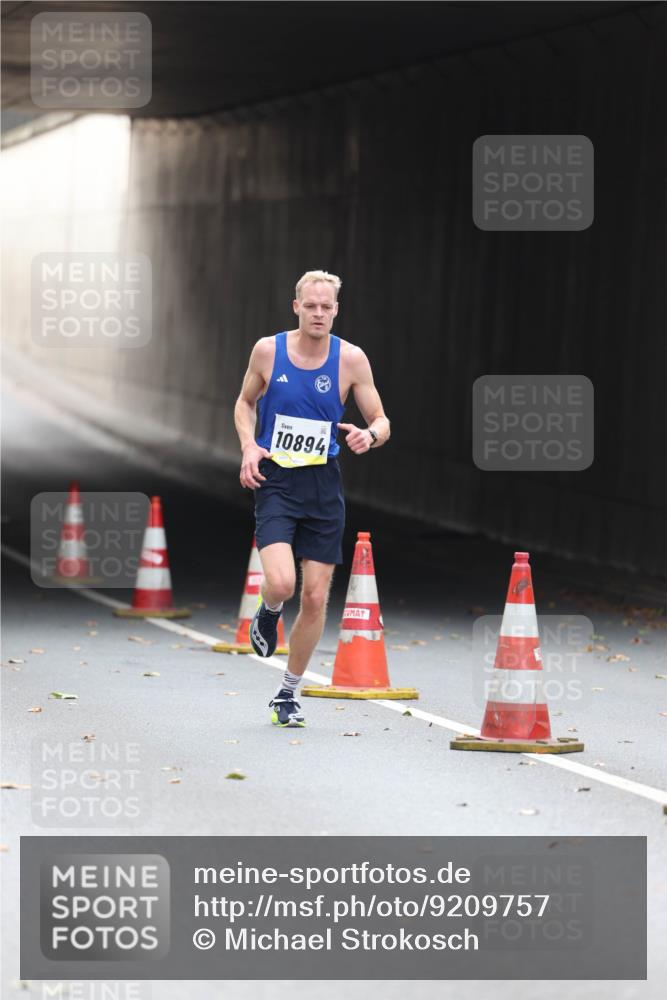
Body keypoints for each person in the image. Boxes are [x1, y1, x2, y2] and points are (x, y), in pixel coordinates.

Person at [234, 270, 390, 727]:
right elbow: (244, 403)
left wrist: (370, 435)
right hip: (277, 480)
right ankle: (269, 609)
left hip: (323, 486)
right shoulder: (268, 351)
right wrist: (248, 445)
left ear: (336, 311)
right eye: (311, 305)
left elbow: (380, 418)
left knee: (318, 597)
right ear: (296, 306)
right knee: (282, 584)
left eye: (327, 307)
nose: (319, 313)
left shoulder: (351, 359)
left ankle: (288, 692)